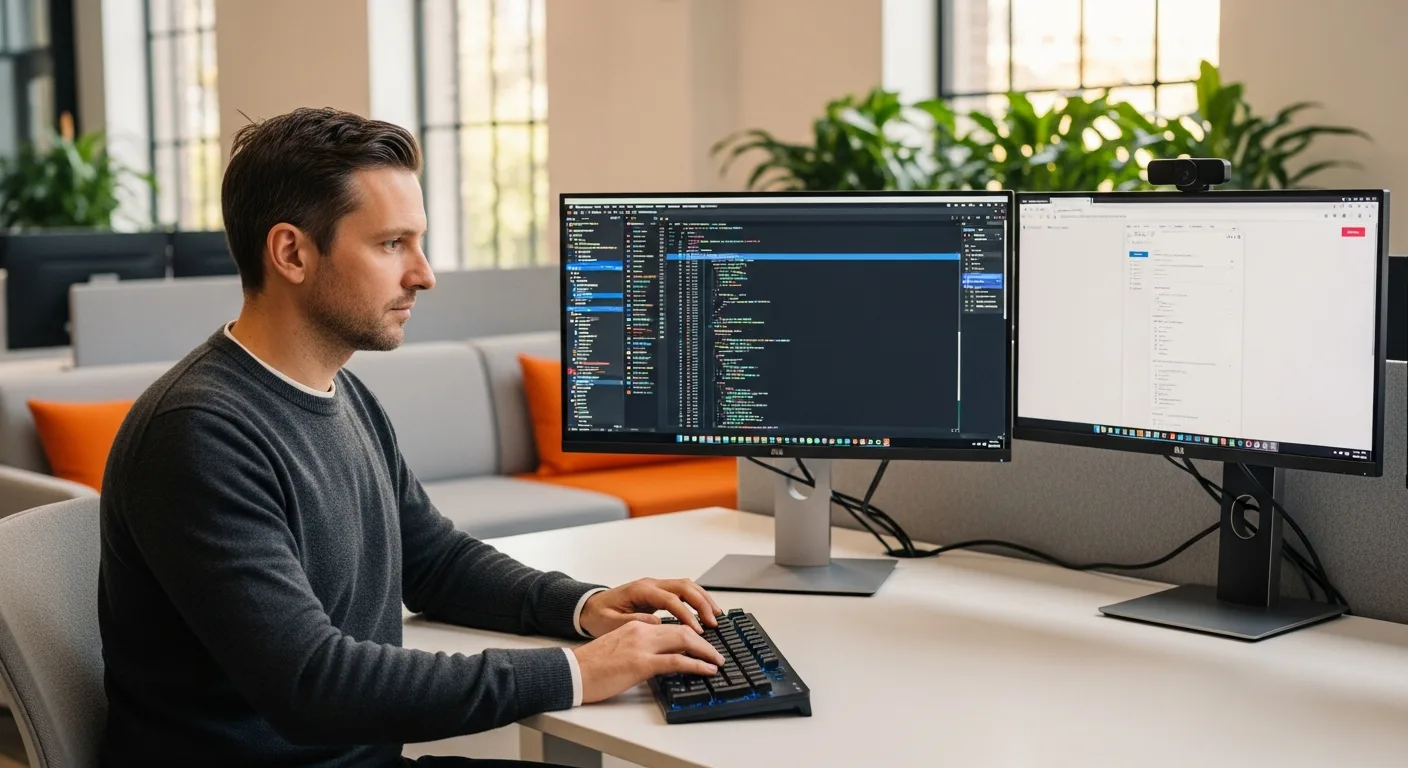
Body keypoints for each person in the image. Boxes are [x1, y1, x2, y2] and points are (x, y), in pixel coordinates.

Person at [97, 106, 726, 767]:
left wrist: (585, 606)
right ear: (291, 252)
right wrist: (578, 672)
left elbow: (434, 563)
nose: (423, 274)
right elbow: (313, 685)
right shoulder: (201, 434)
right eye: (392, 244)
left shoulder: (343, 393)